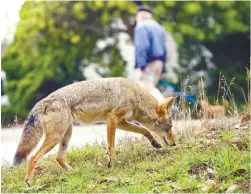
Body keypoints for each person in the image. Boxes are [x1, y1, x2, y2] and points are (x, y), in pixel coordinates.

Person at [133, 6, 167, 101]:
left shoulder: (141, 26)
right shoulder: (158, 27)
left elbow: (141, 46)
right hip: (159, 63)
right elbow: (164, 48)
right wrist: (163, 69)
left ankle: (166, 109)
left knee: (145, 89)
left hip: (148, 63)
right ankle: (162, 110)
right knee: (150, 87)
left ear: (140, 15)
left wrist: (142, 65)